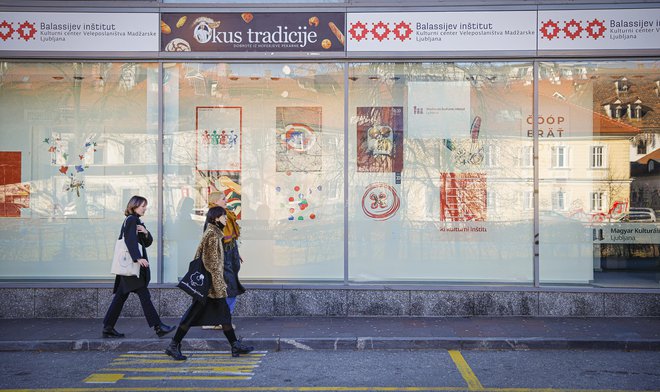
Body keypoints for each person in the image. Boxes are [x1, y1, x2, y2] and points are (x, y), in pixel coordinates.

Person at [165, 206, 253, 360]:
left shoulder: (214, 233)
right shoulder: (213, 235)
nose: (226, 219)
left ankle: (234, 345)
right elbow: (211, 263)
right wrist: (220, 285)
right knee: (191, 316)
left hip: (211, 287)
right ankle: (173, 345)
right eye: (223, 216)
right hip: (209, 288)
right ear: (216, 218)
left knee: (224, 316)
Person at [102, 195, 174, 339]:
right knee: (144, 295)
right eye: (143, 206)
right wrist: (137, 258)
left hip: (128, 267)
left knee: (120, 298)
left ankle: (108, 327)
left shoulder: (137, 221)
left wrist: (146, 232)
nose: (145, 209)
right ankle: (158, 326)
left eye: (145, 206)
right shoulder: (131, 220)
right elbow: (129, 241)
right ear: (134, 206)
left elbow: (146, 243)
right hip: (132, 266)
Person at [206, 191, 245, 321]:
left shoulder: (226, 215)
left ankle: (221, 319)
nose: (226, 201)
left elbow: (232, 239)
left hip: (230, 255)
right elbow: (211, 242)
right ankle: (222, 320)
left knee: (229, 289)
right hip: (222, 259)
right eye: (223, 199)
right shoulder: (214, 217)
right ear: (215, 201)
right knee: (230, 289)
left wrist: (236, 253)